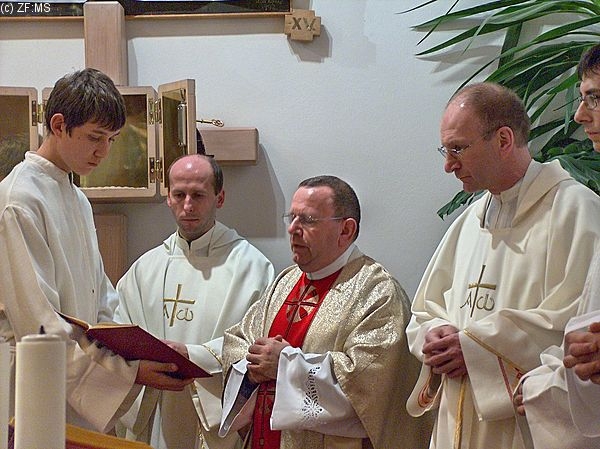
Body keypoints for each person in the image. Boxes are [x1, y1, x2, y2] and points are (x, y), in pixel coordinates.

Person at [405, 81, 600, 449]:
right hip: (455, 421)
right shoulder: (470, 220)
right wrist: (435, 335)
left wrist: (476, 349)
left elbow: (578, 326)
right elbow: (425, 309)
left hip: (525, 426)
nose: (448, 165)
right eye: (445, 150)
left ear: (504, 140)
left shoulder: (575, 211)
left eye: (458, 149)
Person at [0, 68, 193, 433]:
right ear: (59, 125)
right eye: (95, 137)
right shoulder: (19, 198)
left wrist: (141, 351)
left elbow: (102, 297)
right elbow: (37, 322)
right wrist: (127, 373)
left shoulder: (76, 197)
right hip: (34, 384)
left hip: (76, 380)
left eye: (112, 140)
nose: (103, 152)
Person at [218, 175, 432, 449]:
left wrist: (287, 366)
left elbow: (370, 386)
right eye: (291, 218)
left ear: (346, 230)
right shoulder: (285, 282)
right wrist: (251, 369)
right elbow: (238, 341)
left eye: (308, 220)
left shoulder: (377, 293)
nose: (293, 229)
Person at [113, 153, 275, 449]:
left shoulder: (252, 268)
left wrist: (194, 355)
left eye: (198, 195)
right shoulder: (144, 268)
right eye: (179, 195)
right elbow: (120, 334)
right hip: (154, 411)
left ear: (219, 198)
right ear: (169, 198)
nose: (188, 206)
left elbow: (258, 343)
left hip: (213, 420)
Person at [513, 44, 600, 448]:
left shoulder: (575, 204)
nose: (580, 116)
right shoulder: (470, 221)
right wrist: (550, 374)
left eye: (594, 98)